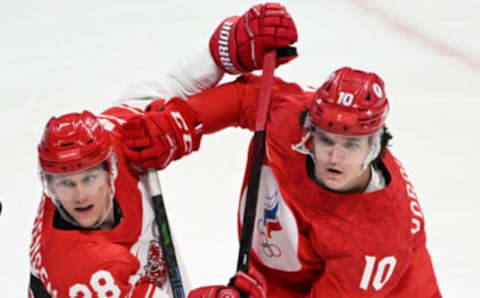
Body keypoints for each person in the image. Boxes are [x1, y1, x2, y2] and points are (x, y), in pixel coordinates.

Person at [122, 5, 442, 298]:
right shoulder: (293, 118)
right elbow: (247, 99)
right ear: (309, 131)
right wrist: (184, 122)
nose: (334, 156)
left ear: (375, 147)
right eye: (326, 140)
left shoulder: (374, 241)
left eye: (351, 145)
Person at [28, 3, 297, 297]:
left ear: (110, 167)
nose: (79, 196)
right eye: (67, 184)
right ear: (50, 187)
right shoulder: (83, 269)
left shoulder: (113, 136)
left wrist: (225, 52)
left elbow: (174, 86)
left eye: (89, 179)